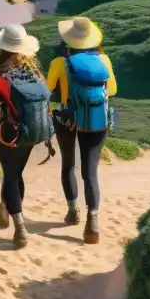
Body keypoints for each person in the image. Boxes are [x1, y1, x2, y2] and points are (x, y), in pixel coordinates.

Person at [46, 16, 118, 244]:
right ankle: (92, 220)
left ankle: (73, 211)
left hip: (68, 119)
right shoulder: (104, 59)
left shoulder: (60, 63)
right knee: (90, 173)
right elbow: (113, 90)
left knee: (69, 165)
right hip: (97, 120)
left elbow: (47, 90)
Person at [0, 24, 52, 249]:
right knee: (16, 172)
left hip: (10, 132)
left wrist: (0, 116)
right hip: (34, 131)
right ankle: (4, 212)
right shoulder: (35, 71)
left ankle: (19, 228)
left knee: (10, 174)